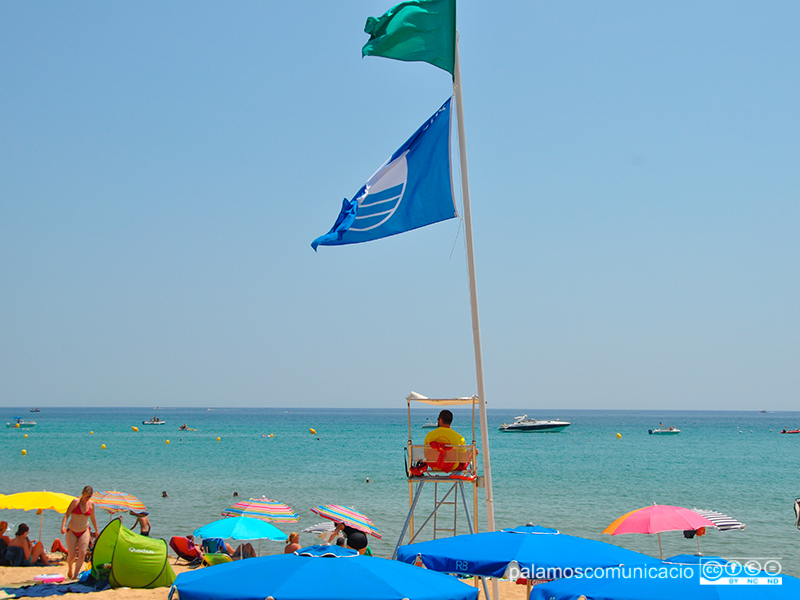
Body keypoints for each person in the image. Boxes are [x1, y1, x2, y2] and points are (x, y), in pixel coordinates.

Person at [61, 485, 99, 579]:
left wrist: (97, 530)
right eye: (86, 496)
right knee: (72, 555)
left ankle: (75, 575)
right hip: (72, 531)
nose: (87, 499)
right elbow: (67, 514)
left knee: (82, 553)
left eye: (89, 497)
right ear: (82, 494)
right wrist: (63, 526)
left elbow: (93, 518)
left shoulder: (91, 504)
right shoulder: (75, 502)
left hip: (84, 530)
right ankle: (70, 568)